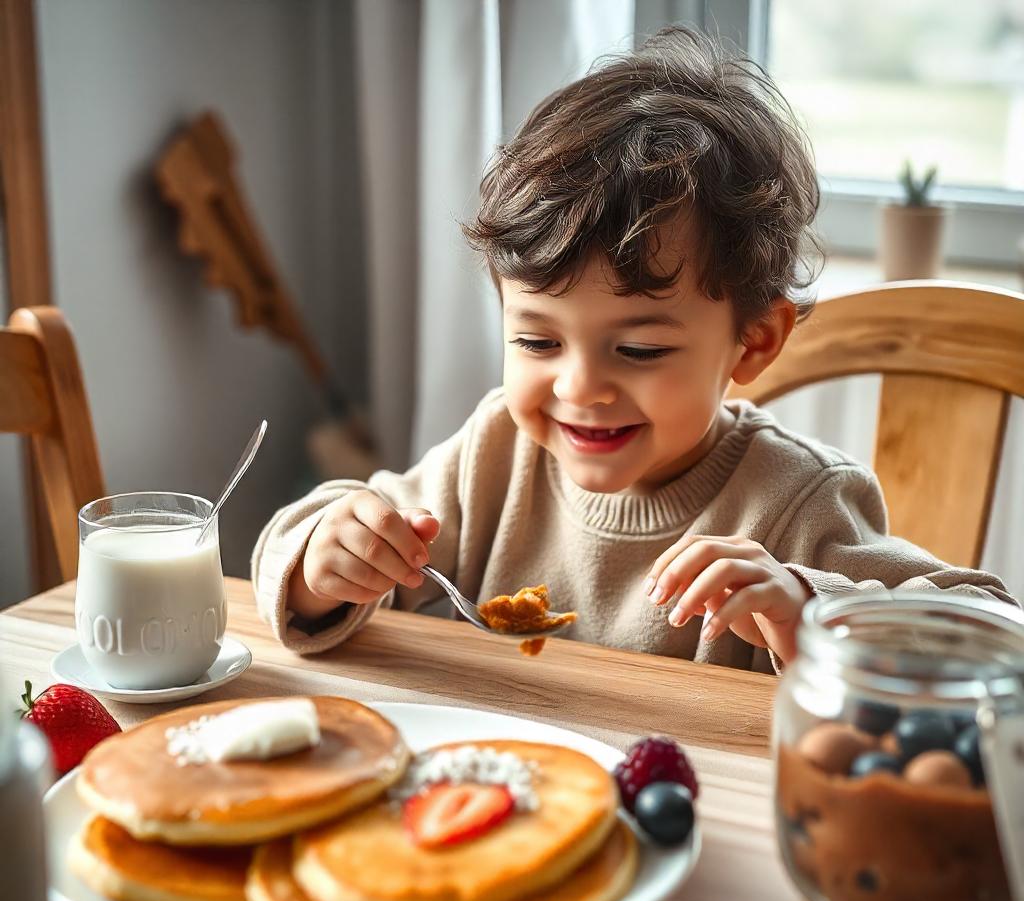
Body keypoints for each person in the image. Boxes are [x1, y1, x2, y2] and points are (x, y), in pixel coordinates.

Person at [252, 27, 1014, 673]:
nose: (580, 387)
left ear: (754, 341)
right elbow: (298, 544)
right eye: (536, 340)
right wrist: (326, 559)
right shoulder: (494, 454)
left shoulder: (794, 503)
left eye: (641, 350)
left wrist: (811, 609)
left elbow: (993, 630)